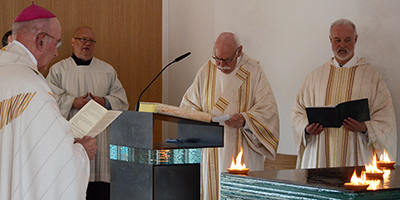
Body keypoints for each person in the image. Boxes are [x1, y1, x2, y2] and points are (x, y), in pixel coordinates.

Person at [0, 3, 97, 200]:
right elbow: (57, 166)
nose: (56, 53)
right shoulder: (33, 86)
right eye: (57, 44)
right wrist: (82, 152)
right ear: (41, 40)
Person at [180, 32, 280, 199]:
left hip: (243, 150)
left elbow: (268, 110)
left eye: (226, 59)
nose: (220, 64)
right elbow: (188, 105)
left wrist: (245, 119)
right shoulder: (206, 70)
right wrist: (202, 118)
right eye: (217, 58)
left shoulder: (253, 71)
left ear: (239, 51)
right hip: (211, 151)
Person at [291, 18, 397, 169]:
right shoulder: (315, 77)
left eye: (347, 40)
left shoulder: (371, 77)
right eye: (337, 40)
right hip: (320, 157)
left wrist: (365, 127)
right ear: (330, 40)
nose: (342, 45)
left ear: (356, 39)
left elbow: (386, 119)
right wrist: (306, 129)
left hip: (357, 157)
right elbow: (297, 113)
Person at [46, 26, 129, 200]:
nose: (87, 44)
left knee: (99, 192)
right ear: (73, 41)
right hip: (71, 142)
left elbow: (121, 100)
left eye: (91, 41)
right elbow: (48, 103)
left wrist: (104, 102)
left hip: (101, 142)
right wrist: (72, 102)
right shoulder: (58, 71)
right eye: (82, 39)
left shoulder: (107, 70)